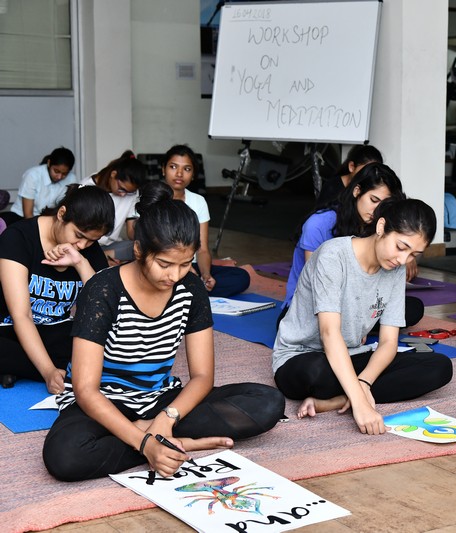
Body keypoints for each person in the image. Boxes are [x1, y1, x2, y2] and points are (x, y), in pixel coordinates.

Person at [42, 181, 285, 482]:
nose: (174, 275)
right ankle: (164, 442)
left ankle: (153, 434)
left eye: (184, 264)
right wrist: (145, 443)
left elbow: (202, 376)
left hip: (160, 400)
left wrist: (167, 418)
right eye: (164, 264)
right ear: (138, 250)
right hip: (106, 401)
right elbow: (86, 390)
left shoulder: (191, 288)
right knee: (65, 456)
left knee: (268, 402)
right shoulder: (102, 289)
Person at [272, 198, 453, 435]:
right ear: (381, 227)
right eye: (401, 247)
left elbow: (388, 342)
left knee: (439, 366)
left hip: (352, 355)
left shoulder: (396, 269)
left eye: (413, 255)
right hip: (303, 357)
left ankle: (338, 399)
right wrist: (361, 405)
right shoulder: (332, 255)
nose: (403, 260)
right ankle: (352, 395)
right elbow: (329, 333)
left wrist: (365, 382)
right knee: (316, 374)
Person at [280, 162, 424, 328]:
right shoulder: (318, 224)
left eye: (384, 205)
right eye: (374, 200)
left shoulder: (379, 227)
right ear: (357, 191)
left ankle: (354, 327)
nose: (377, 210)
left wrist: (404, 253)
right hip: (314, 305)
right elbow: (317, 286)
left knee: (413, 308)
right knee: (296, 323)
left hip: (359, 304)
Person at [0, 185, 113, 393]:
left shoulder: (87, 250)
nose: (82, 245)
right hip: (10, 329)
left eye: (92, 240)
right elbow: (21, 315)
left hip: (56, 331)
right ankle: (47, 368)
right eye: (78, 235)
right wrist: (48, 371)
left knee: (108, 346)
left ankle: (17, 369)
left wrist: (80, 263)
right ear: (61, 214)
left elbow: (104, 305)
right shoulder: (18, 237)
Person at [161, 144, 250, 297]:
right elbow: (150, 246)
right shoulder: (152, 197)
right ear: (163, 169)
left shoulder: (198, 202)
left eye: (187, 169)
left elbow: (202, 249)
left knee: (241, 277)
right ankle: (190, 289)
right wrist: (182, 267)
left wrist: (206, 275)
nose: (179, 173)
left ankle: (192, 288)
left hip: (192, 266)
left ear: (193, 175)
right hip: (163, 265)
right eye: (173, 167)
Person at [79, 150, 146, 264]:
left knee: (144, 247)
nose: (123, 195)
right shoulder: (87, 187)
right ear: (113, 174)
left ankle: (104, 257)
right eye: (122, 189)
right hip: (86, 244)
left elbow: (131, 233)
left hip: (109, 246)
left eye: (129, 192)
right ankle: (101, 259)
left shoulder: (133, 193)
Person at [2, 147, 79, 226]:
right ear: (49, 163)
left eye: (64, 174)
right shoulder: (32, 175)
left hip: (49, 219)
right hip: (22, 217)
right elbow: (28, 214)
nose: (59, 177)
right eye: (56, 171)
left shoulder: (71, 179)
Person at [315, 144, 383, 208]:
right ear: (351, 167)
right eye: (365, 171)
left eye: (374, 172)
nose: (369, 175)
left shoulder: (371, 187)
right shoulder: (332, 188)